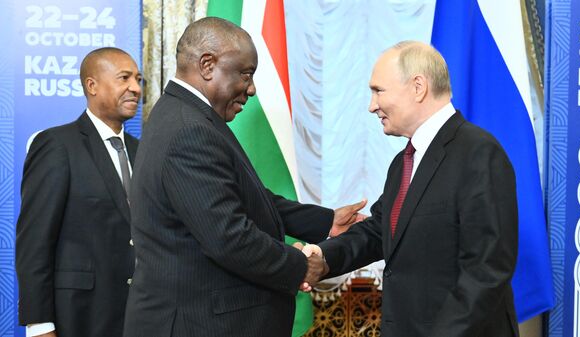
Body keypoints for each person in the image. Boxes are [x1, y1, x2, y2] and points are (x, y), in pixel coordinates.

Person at [122, 17, 365, 337]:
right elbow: (229, 237)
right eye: (246, 74)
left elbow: (247, 198)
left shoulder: (184, 116)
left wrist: (325, 221)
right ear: (207, 65)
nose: (251, 89)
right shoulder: (189, 129)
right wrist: (300, 266)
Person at [302, 41, 519, 337]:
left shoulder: (479, 153)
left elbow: (486, 270)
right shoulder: (403, 162)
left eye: (378, 90)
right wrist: (323, 259)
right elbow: (379, 231)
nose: (371, 105)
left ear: (418, 87)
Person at [16, 47, 142, 337]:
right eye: (124, 78)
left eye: (138, 79)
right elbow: (35, 241)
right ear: (92, 85)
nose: (135, 88)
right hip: (78, 316)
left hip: (140, 318)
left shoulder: (143, 151)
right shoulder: (56, 145)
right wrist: (39, 325)